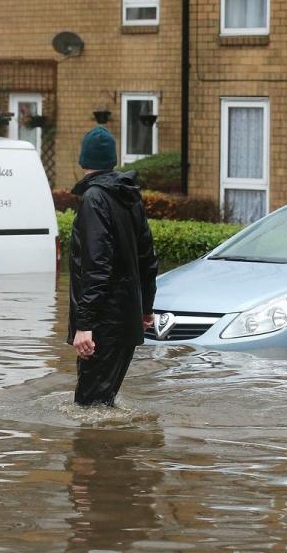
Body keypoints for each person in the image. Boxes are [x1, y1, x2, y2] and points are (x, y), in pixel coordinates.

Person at [67, 125, 159, 407]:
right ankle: (115, 449)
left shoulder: (95, 198)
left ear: (83, 161)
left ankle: (98, 451)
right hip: (126, 320)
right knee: (104, 401)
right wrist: (145, 309)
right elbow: (148, 259)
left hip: (102, 325)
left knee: (89, 407)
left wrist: (84, 325)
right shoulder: (129, 197)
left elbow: (97, 265)